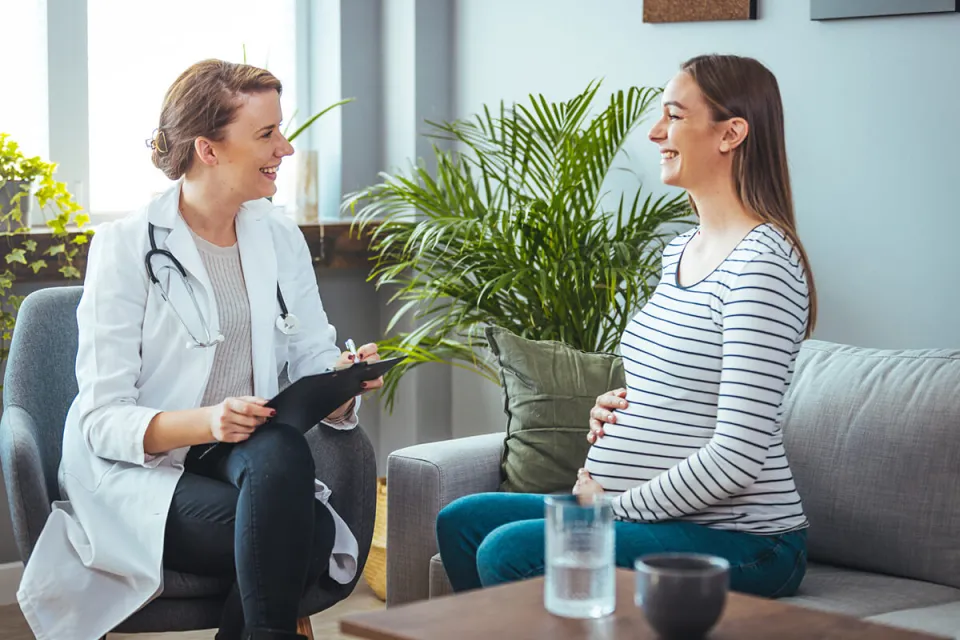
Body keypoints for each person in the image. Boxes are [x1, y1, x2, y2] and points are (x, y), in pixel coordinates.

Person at [16, 59, 382, 640]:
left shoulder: (278, 235)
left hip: (245, 450)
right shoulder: (125, 247)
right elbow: (102, 421)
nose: (284, 149)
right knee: (302, 535)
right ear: (208, 150)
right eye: (266, 134)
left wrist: (340, 387)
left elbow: (311, 353)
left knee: (282, 449)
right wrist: (210, 421)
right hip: (140, 467)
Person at [436, 54, 817, 598]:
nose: (656, 132)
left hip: (746, 540)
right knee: (464, 520)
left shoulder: (764, 264)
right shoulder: (679, 250)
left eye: (675, 116)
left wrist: (611, 508)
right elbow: (683, 385)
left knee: (508, 550)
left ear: (731, 133)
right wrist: (623, 406)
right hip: (658, 516)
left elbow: (738, 454)